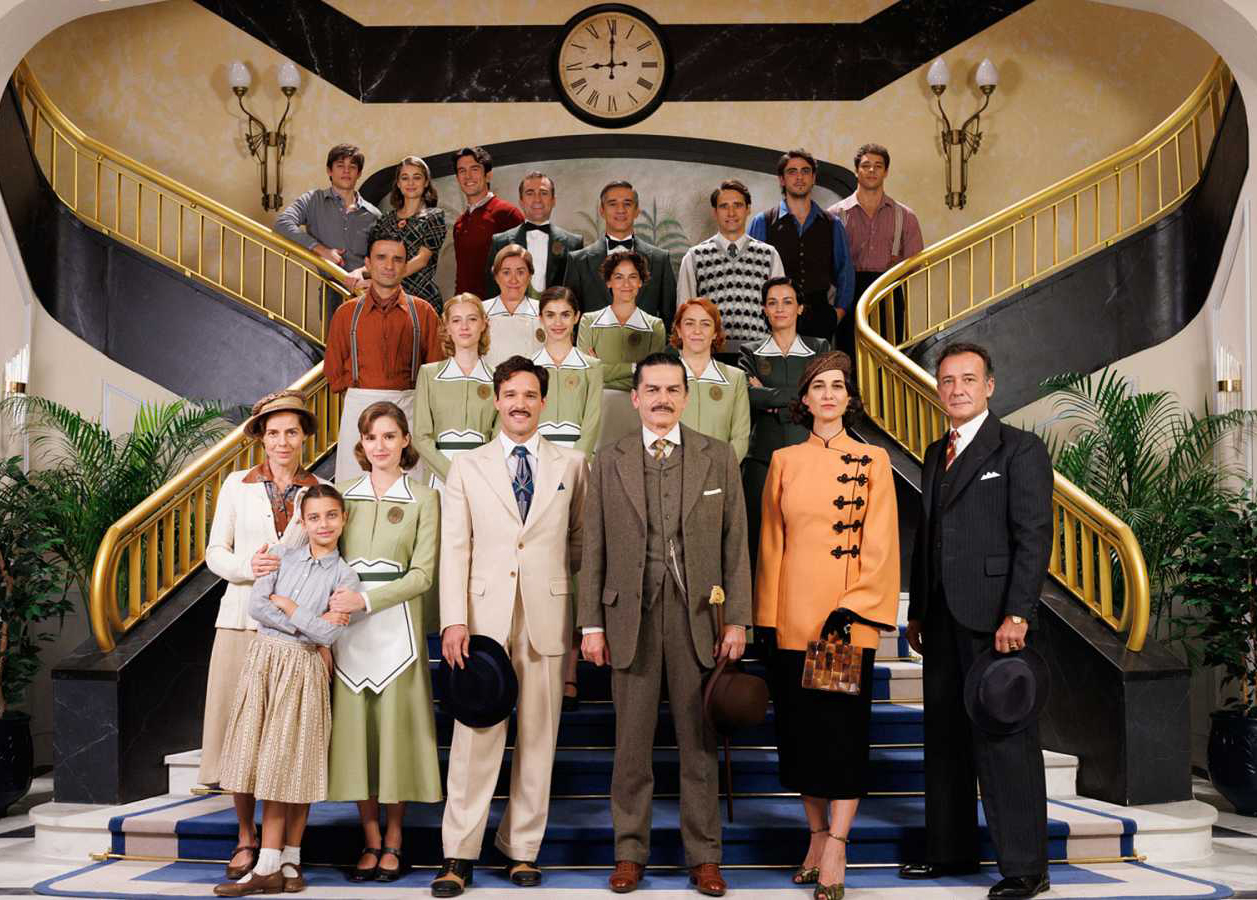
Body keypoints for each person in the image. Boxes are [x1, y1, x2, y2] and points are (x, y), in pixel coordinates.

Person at [579, 352, 752, 898]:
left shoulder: (717, 456)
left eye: (672, 389)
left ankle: (704, 858)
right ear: (635, 398)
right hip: (628, 617)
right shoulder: (608, 460)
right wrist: (590, 625)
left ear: (686, 396)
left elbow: (736, 544)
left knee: (698, 746)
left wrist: (738, 620)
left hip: (699, 617)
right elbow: (593, 548)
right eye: (651, 390)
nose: (662, 399)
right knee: (631, 748)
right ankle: (629, 853)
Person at [899, 342, 1053, 900]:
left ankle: (1027, 868)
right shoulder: (933, 451)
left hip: (994, 619)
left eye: (968, 379)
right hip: (941, 616)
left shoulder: (1019, 449)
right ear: (937, 389)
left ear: (989, 386)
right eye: (947, 380)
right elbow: (928, 537)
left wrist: (1018, 612)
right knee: (944, 737)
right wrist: (918, 609)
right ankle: (950, 850)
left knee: (1005, 738)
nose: (957, 388)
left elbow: (1033, 537)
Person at [433, 355, 588, 897]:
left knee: (539, 738)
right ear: (496, 400)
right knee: (475, 738)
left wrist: (560, 591)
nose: (520, 404)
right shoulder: (466, 467)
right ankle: (459, 853)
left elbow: (579, 541)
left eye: (529, 395)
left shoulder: (573, 464)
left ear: (543, 402)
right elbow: (455, 549)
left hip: (546, 614)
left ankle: (521, 848)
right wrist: (454, 619)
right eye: (511, 395)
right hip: (482, 619)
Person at [755, 350, 899, 900]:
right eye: (819, 386)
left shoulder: (873, 460)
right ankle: (815, 837)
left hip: (841, 625)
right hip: (791, 622)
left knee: (840, 738)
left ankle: (838, 844)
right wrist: (765, 619)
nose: (829, 395)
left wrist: (856, 606)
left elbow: (881, 542)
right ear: (805, 399)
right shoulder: (784, 460)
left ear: (848, 398)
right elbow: (771, 546)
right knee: (800, 739)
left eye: (838, 386)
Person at [214, 484, 360, 896]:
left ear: (343, 518)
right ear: (302, 521)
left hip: (303, 668)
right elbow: (257, 606)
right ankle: (279, 863)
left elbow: (328, 635)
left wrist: (291, 608)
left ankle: (280, 862)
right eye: (313, 517)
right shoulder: (280, 555)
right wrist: (308, 622)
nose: (323, 524)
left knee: (292, 761)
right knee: (262, 761)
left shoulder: (344, 576)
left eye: (331, 515)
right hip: (264, 663)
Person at [202, 390, 321, 883]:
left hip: (295, 633)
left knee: (285, 738)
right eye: (273, 433)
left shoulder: (321, 489)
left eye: (291, 431)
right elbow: (215, 551)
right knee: (240, 734)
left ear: (305, 436)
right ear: (261, 438)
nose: (282, 441)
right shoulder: (237, 485)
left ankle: (286, 846)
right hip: (240, 624)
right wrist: (248, 568)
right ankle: (246, 836)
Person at [328, 402, 442, 883]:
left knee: (394, 737)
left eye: (390, 436)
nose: (381, 446)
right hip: (347, 635)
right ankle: (370, 838)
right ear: (361, 443)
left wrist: (368, 600)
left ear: (405, 442)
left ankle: (395, 839)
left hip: (400, 635)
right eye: (372, 437)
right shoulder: (340, 495)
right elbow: (322, 557)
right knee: (357, 738)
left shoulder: (424, 498)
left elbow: (423, 574)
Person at [324, 226, 443, 484]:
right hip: (359, 408)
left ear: (405, 266)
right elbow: (333, 372)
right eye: (381, 258)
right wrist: (363, 390)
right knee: (354, 489)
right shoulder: (346, 314)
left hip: (409, 411)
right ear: (368, 263)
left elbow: (436, 374)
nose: (389, 266)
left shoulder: (424, 313)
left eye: (397, 259)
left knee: (410, 490)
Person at [532, 285, 603, 712]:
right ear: (540, 319)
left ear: (576, 317)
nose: (557, 322)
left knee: (574, 567)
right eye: (550, 314)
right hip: (535, 473)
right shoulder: (527, 367)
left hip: (576, 472)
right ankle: (536, 665)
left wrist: (572, 468)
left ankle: (571, 670)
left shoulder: (591, 367)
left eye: (565, 314)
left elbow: (591, 423)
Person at [738, 276, 830, 564]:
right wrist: (802, 395)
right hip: (761, 458)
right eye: (772, 303)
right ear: (764, 309)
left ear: (800, 308)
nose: (780, 309)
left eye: (787, 302)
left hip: (810, 455)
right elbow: (748, 397)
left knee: (807, 542)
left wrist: (771, 400)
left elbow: (824, 395)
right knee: (759, 541)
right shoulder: (749, 351)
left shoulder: (820, 348)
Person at [748, 148, 854, 348]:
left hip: (820, 318)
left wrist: (837, 314)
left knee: (820, 369)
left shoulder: (832, 224)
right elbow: (752, 275)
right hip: (775, 319)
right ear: (782, 180)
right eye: (792, 172)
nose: (799, 177)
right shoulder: (763, 222)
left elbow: (845, 272)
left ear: (813, 178)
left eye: (805, 171)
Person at [827, 143, 924, 348]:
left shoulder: (905, 216)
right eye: (866, 165)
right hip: (848, 294)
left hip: (889, 294)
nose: (872, 170)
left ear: (886, 172)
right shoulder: (834, 215)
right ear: (856, 170)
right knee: (848, 354)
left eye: (878, 166)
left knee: (888, 355)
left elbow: (916, 263)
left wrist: (895, 270)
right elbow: (825, 261)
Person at [677, 179, 785, 349]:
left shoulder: (769, 255)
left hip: (759, 352)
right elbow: (684, 312)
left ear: (748, 209)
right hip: (709, 352)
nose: (731, 212)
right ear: (715, 212)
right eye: (724, 206)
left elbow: (780, 311)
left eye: (738, 205)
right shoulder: (694, 257)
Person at [577, 252, 667, 449]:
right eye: (619, 277)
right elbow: (586, 374)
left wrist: (602, 370)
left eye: (632, 276)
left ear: (640, 282)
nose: (626, 284)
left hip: (639, 411)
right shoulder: (589, 322)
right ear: (608, 282)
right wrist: (635, 367)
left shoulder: (655, 326)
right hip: (598, 409)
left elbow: (651, 379)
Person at [412, 294, 499, 495]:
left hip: (484, 477)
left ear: (484, 324)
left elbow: (499, 437)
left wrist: (479, 475)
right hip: (438, 478)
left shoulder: (498, 378)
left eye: (472, 319)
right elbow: (420, 436)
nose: (464, 327)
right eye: (456, 320)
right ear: (447, 327)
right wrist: (453, 475)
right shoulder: (429, 374)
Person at [564, 180, 677, 323]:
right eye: (612, 204)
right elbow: (569, 317)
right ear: (602, 210)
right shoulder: (578, 261)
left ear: (637, 211)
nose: (620, 210)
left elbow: (670, 318)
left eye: (627, 204)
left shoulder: (660, 260)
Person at [274, 143, 380, 291]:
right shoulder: (312, 200)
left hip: (365, 292)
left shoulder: (373, 214)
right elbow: (282, 223)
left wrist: (361, 271)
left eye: (352, 167)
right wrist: (322, 250)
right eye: (340, 165)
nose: (346, 171)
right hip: (329, 291)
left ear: (359, 173)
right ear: (329, 170)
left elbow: (383, 258)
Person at [670, 297, 750, 460]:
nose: (697, 331)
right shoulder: (661, 375)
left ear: (715, 333)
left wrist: (720, 469)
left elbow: (740, 437)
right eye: (689, 323)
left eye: (705, 324)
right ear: (679, 330)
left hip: (719, 472)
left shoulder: (735, 378)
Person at [485, 171, 584, 296]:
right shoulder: (500, 242)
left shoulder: (574, 243)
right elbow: (492, 291)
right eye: (530, 193)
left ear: (553, 200)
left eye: (544, 193)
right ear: (521, 201)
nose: (537, 199)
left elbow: (577, 293)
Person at [376, 155, 447, 312]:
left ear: (426, 182)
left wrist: (385, 280)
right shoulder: (385, 220)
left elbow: (421, 260)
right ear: (398, 183)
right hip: (386, 298)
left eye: (417, 177)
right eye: (405, 178)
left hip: (421, 298)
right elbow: (376, 258)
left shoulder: (434, 216)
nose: (410, 183)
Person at [451, 146, 524, 299]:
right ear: (457, 178)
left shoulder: (508, 214)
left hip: (500, 306)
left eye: (475, 169)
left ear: (488, 175)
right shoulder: (459, 224)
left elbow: (523, 269)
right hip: (469, 308)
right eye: (462, 171)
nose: (468, 176)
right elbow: (462, 276)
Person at [482, 244, 543, 371]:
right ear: (496, 276)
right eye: (506, 272)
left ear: (530, 276)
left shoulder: (544, 312)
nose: (513, 280)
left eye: (520, 272)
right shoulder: (480, 312)